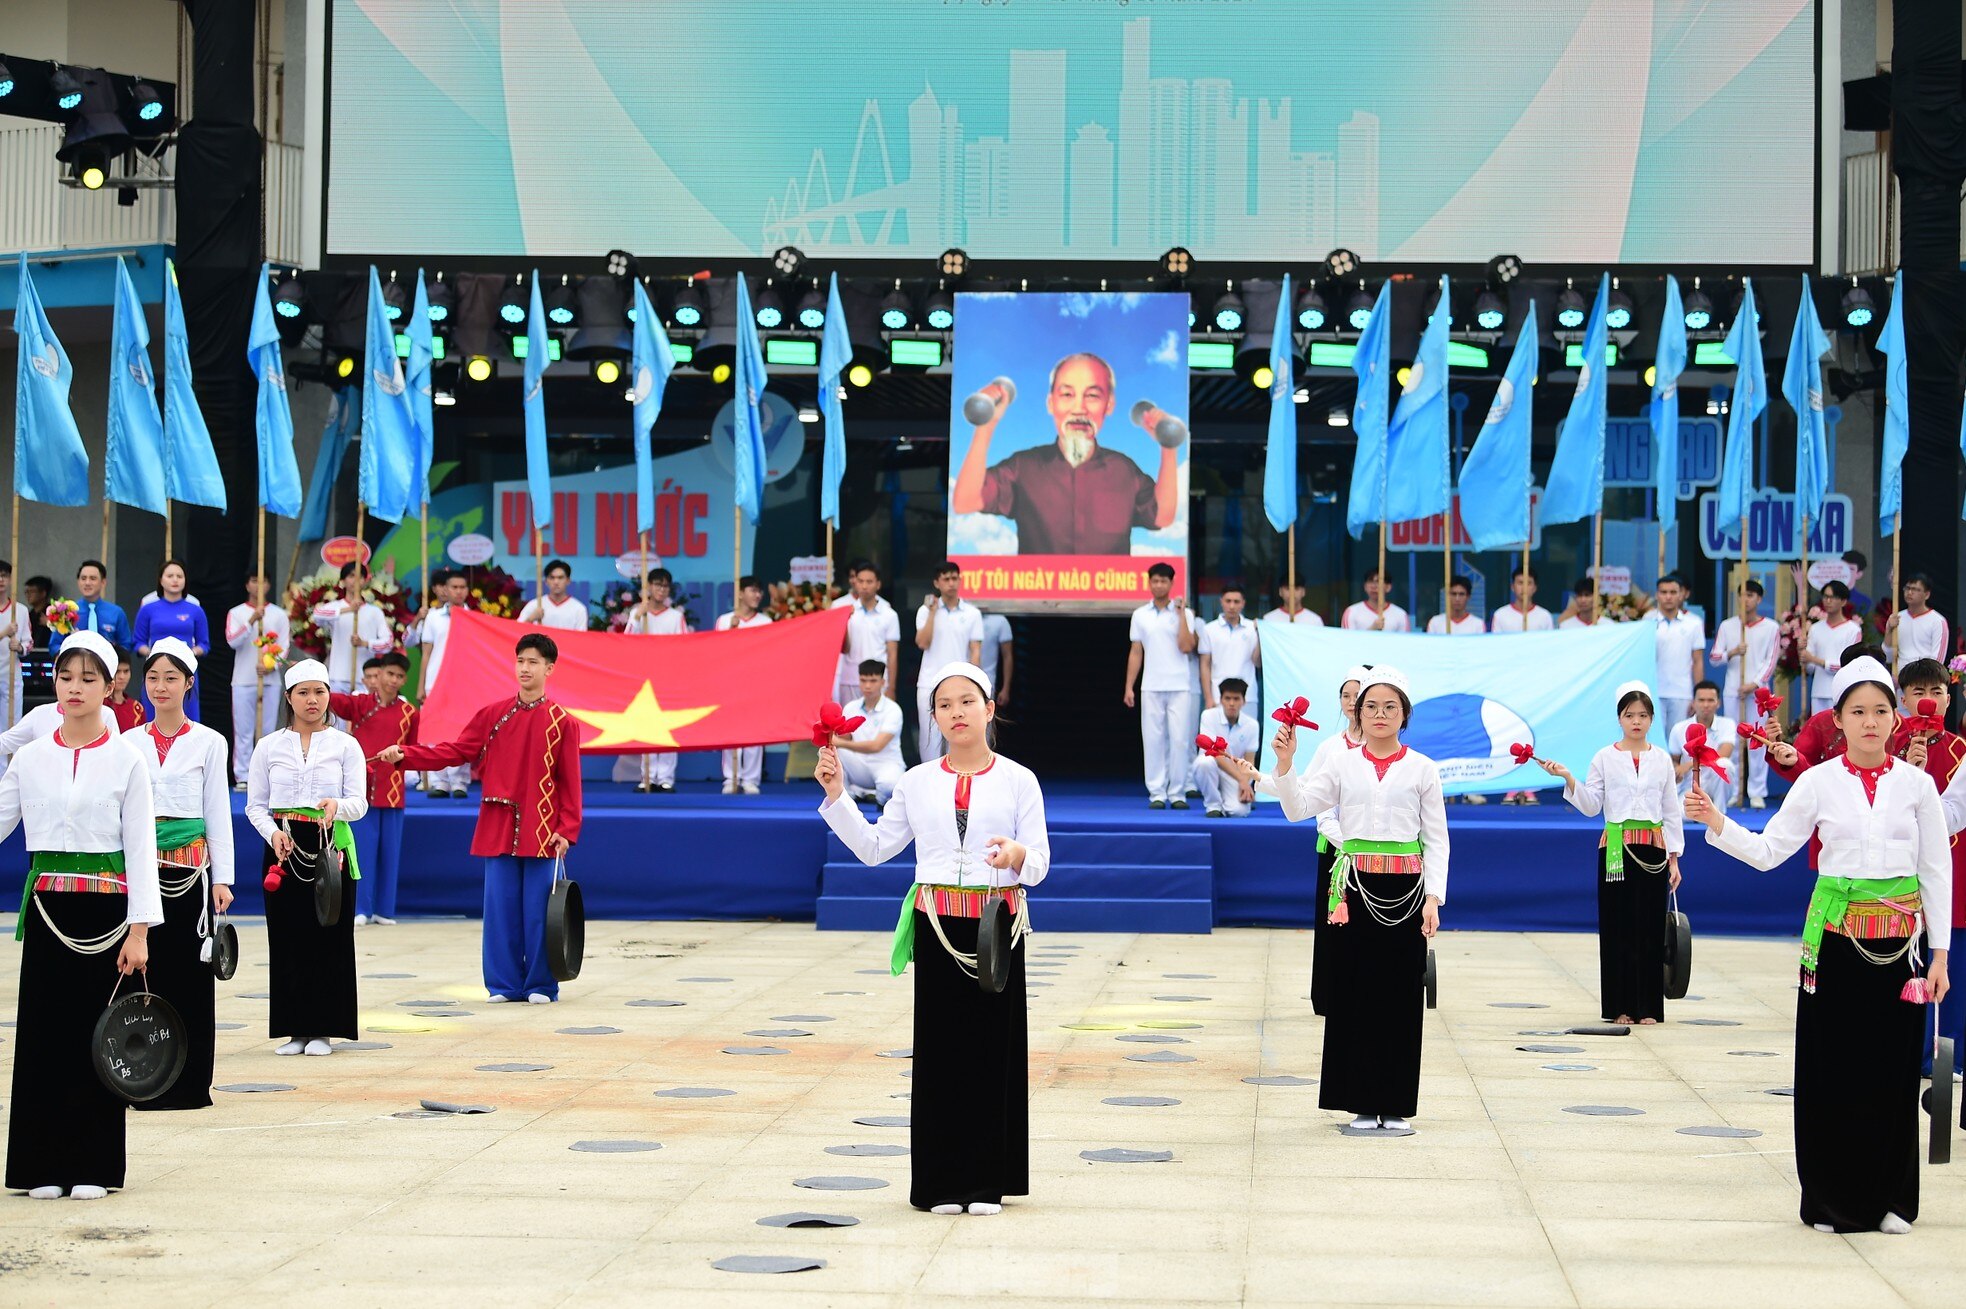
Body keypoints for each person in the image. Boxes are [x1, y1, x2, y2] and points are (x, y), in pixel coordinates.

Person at [1687, 656, 1950, 1235]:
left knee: (1894, 1070)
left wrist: (1941, 955)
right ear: (1839, 719)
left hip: (1902, 949)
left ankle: (1890, 1200)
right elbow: (1767, 852)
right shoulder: (1817, 781)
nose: (1871, 722)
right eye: (1858, 711)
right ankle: (1829, 1198)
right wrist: (1716, 822)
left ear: (1897, 718)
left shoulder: (1917, 786)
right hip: (1835, 944)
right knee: (1833, 1068)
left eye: (1881, 710)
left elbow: (1936, 870)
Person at [814, 660, 1049, 1214]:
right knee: (942, 1053)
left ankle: (988, 1181)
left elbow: (1038, 863)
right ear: (935, 718)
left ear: (989, 710)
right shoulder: (915, 783)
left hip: (996, 926)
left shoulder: (1020, 780)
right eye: (945, 705)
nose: (956, 712)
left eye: (968, 701)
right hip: (938, 924)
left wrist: (1016, 856)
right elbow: (875, 850)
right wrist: (837, 796)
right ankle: (942, 1182)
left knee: (995, 1049)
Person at [1229, 667, 1447, 1134]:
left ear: (1405, 714)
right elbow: (1297, 809)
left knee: (1401, 995)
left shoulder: (1423, 768)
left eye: (1390, 706)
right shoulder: (1341, 762)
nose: (1380, 714)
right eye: (1371, 706)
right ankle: (1362, 1103)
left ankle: (1396, 1104)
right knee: (1357, 991)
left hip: (1406, 893)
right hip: (1354, 886)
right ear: (1357, 713)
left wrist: (1434, 898)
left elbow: (1437, 839)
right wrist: (1285, 766)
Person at [0, 630, 158, 1198]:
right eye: (66, 677)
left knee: (99, 1036)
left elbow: (141, 848)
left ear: (110, 685)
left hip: (107, 913)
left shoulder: (126, 760)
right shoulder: (31, 758)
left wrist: (139, 929)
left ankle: (91, 1164)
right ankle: (40, 1166)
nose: (74, 689)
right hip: (47, 910)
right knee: (43, 1033)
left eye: (89, 679)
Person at [378, 633, 582, 1004]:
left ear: (550, 669)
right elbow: (455, 750)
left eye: (533, 662)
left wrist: (566, 830)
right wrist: (406, 756)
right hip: (498, 824)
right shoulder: (493, 715)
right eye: (520, 660)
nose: (525, 668)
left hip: (542, 829)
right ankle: (504, 984)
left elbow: (570, 783)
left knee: (539, 912)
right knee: (500, 909)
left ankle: (540, 984)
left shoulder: (562, 722)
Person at [1542, 681, 1686, 1025]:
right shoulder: (1604, 757)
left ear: (1651, 719)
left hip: (1652, 849)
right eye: (1629, 715)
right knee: (1618, 925)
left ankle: (1648, 1007)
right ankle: (1619, 1006)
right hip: (1616, 849)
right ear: (1619, 718)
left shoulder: (1662, 759)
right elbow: (1592, 805)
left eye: (1642, 715)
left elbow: (1670, 809)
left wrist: (1675, 857)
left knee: (1650, 927)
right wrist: (1568, 778)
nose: (1636, 721)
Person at [131, 638, 233, 1111]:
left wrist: (222, 877)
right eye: (153, 677)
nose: (161, 686)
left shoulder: (210, 742)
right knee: (143, 976)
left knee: (190, 978)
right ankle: (140, 1078)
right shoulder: (128, 742)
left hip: (191, 876)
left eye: (171, 678)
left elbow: (217, 812)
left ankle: (190, 1083)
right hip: (138, 874)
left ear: (189, 683)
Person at [247, 658, 368, 1056]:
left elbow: (360, 803)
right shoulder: (268, 746)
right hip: (283, 844)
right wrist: (273, 834)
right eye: (303, 692)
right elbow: (255, 806)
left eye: (319, 691)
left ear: (329, 695)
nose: (312, 700)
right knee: (286, 936)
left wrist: (337, 806)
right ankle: (294, 1029)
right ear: (288, 698)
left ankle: (324, 1029)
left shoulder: (345, 743)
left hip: (329, 843)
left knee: (329, 934)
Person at [949, 352, 1180, 556]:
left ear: (1109, 405)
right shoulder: (1024, 467)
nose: (1079, 408)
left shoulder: (1124, 470)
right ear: (1051, 403)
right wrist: (986, 427)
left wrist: (1167, 448)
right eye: (1067, 395)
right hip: (1037, 603)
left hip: (1110, 604)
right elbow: (965, 501)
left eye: (1092, 396)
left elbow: (1162, 516)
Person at [1897, 658, 1966, 1082]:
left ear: (1948, 697)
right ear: (1902, 698)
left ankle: (1945, 1058)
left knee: (1949, 965)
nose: (1929, 700)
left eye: (1937, 692)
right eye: (1918, 692)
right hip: (1894, 877)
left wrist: (1920, 783)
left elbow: (1954, 816)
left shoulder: (1961, 751)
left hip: (1952, 872)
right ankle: (1901, 1050)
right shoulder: (1884, 744)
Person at [1287, 667, 1369, 1012]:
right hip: (1336, 851)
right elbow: (1306, 794)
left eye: (1358, 696)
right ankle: (1329, 996)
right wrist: (1271, 775)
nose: (1351, 702)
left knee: (1367, 927)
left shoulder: (1382, 747)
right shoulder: (1329, 747)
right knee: (1332, 924)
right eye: (1346, 696)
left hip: (1373, 852)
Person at [331, 653, 417, 927]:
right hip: (361, 791)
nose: (393, 680)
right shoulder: (360, 705)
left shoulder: (409, 713)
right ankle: (360, 908)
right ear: (378, 675)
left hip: (392, 791)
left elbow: (412, 752)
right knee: (362, 852)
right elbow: (332, 699)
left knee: (390, 854)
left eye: (399, 676)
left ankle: (385, 910)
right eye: (389, 674)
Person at [1125, 562, 1199, 809]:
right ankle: (1156, 792)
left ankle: (1177, 792)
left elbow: (1187, 646)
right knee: (1153, 739)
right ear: (1149, 583)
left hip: (1180, 685)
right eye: (1155, 581)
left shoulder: (1185, 613)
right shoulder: (1140, 614)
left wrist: (1180, 615)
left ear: (1171, 583)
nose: (1159, 585)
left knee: (1180, 739)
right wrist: (1129, 686)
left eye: (1163, 581)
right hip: (1151, 685)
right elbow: (1136, 652)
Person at [1710, 579, 1779, 808]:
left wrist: (1755, 683)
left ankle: (1757, 791)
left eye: (1751, 595)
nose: (1746, 599)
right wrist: (1732, 652)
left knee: (1758, 741)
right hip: (1733, 691)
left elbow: (1771, 661)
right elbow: (1715, 658)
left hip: (1758, 693)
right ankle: (1734, 790)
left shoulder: (1771, 627)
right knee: (1735, 740)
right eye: (1742, 594)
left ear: (1759, 599)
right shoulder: (1728, 626)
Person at [621, 568, 690, 792]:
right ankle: (647, 776)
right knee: (646, 725)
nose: (661, 590)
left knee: (667, 726)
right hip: (644, 678)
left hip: (669, 677)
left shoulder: (676, 616)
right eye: (657, 585)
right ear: (648, 587)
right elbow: (626, 642)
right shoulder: (637, 612)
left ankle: (666, 777)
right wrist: (639, 616)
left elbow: (683, 647)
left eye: (665, 586)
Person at [406, 568, 472, 797]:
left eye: (462, 587)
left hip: (464, 684)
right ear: (446, 589)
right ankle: (439, 781)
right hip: (435, 681)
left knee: (462, 733)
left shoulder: (476, 618)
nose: (458, 591)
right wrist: (421, 685)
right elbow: (426, 652)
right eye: (454, 587)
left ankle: (460, 782)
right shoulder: (433, 617)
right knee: (435, 732)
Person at [225, 573, 289, 791]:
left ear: (269, 584)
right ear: (247, 584)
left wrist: (271, 665)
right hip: (243, 679)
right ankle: (243, 775)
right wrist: (251, 620)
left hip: (269, 680)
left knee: (269, 730)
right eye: (254, 581)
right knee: (243, 730)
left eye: (263, 581)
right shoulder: (236, 613)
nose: (259, 585)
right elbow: (232, 640)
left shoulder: (279, 614)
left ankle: (267, 774)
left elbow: (284, 645)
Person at [914, 563, 984, 761]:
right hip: (929, 682)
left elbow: (975, 651)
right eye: (946, 579)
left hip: (960, 685)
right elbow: (922, 642)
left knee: (961, 732)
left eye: (954, 578)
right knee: (929, 736)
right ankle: (928, 783)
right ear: (937, 583)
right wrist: (933, 612)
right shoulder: (925, 611)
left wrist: (973, 684)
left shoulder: (972, 613)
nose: (951, 583)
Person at [716, 576, 774, 794]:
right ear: (740, 593)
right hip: (731, 683)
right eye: (752, 590)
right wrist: (731, 632)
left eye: (759, 591)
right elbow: (717, 652)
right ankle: (730, 778)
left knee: (754, 732)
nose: (757, 595)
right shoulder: (724, 620)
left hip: (756, 683)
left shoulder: (765, 622)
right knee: (730, 731)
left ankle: (751, 779)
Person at [132, 561, 210, 722]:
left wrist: (191, 651)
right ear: (161, 580)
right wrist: (154, 652)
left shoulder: (195, 610)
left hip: (185, 668)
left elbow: (205, 644)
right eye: (170, 576)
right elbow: (137, 642)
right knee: (152, 715)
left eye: (179, 576)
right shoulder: (148, 609)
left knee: (189, 716)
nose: (175, 580)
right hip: (156, 668)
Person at [833, 659, 906, 806]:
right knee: (828, 752)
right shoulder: (850, 708)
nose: (867, 686)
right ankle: (847, 798)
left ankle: (871, 795)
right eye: (863, 680)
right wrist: (830, 734)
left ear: (882, 682)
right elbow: (843, 740)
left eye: (873, 681)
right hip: (859, 764)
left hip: (887, 763)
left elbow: (876, 746)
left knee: (889, 787)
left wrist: (837, 741)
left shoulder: (893, 709)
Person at [312, 562, 393, 695]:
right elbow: (317, 615)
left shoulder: (375, 612)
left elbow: (388, 643)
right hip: (338, 676)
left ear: (364, 581)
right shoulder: (335, 606)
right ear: (343, 581)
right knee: (337, 715)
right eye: (351, 576)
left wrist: (365, 643)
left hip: (366, 679)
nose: (355, 581)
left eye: (359, 577)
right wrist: (349, 609)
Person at [832, 560, 900, 706]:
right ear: (855, 583)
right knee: (848, 726)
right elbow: (844, 649)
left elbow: (892, 654)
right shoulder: (846, 611)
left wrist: (892, 687)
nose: (864, 586)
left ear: (878, 584)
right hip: (850, 679)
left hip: (878, 681)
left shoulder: (889, 614)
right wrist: (843, 622)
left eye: (869, 582)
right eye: (860, 581)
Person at [1194, 677, 1259, 818]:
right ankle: (1214, 806)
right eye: (1227, 698)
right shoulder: (1208, 716)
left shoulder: (1252, 725)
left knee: (1239, 812)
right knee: (1203, 762)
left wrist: (1246, 783)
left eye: (1236, 699)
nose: (1231, 703)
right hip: (1212, 768)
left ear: (1244, 701)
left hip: (1235, 774)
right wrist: (1241, 780)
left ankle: (1227, 800)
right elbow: (1214, 753)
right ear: (1221, 700)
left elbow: (1250, 760)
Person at [1647, 573, 1705, 728]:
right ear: (1657, 595)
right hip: (1653, 691)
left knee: (1677, 741)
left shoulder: (1694, 623)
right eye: (1663, 592)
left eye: (1673, 592)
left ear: (1681, 595)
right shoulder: (1647, 621)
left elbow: (1698, 661)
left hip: (1682, 692)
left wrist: (1698, 694)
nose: (1668, 597)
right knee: (1652, 740)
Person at [1669, 681, 1738, 811]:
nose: (1706, 705)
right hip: (1690, 786)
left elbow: (1723, 754)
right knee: (1682, 816)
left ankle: (1719, 815)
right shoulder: (1679, 728)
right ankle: (1702, 810)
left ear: (1718, 703)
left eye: (1710, 700)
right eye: (1701, 700)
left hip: (1716, 784)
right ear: (1693, 703)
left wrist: (1689, 765)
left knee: (1724, 764)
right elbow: (1675, 761)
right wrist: (1677, 771)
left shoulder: (1727, 724)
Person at [1801, 580, 1863, 716]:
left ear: (1843, 601)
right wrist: (1803, 655)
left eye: (1833, 597)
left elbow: (1849, 665)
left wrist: (1817, 660)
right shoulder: (1815, 629)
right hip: (1818, 691)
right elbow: (1809, 667)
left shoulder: (1853, 630)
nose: (1828, 601)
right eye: (1825, 597)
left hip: (1841, 691)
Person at [1199, 585, 1261, 711]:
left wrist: (1260, 635)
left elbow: (1257, 663)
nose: (1232, 606)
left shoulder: (1252, 628)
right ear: (1221, 601)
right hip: (1218, 696)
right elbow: (1205, 664)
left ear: (1243, 603)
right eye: (1228, 601)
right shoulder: (1209, 629)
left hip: (1247, 697)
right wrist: (1208, 697)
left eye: (1236, 602)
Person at [49, 560, 132, 653]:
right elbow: (54, 645)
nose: (87, 583)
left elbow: (126, 645)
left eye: (93, 578)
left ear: (103, 582)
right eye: (83, 578)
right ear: (78, 581)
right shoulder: (66, 611)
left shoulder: (116, 612)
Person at [1888, 573, 1949, 674]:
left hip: (1925, 680)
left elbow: (1937, 659)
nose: (1910, 592)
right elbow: (1888, 656)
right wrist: (1889, 630)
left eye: (1916, 589)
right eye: (1907, 588)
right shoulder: (1896, 618)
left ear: (1927, 594)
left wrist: (1925, 679)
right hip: (1901, 680)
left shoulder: (1938, 621)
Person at [0, 561, 30, 730]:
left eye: (4, 575)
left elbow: (28, 642)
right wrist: (4, 633)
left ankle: (10, 757)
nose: (1, 579)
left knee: (11, 724)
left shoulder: (21, 610)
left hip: (11, 675)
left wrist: (19, 647)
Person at [517, 559, 589, 630]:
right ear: (546, 581)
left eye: (560, 578)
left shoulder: (579, 609)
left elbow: (581, 638)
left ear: (568, 580)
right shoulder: (535, 605)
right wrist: (530, 619)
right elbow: (517, 630)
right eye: (552, 578)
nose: (556, 582)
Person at [1340, 571, 1410, 632]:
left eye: (1378, 581)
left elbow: (1404, 643)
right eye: (1370, 581)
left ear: (1388, 587)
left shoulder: (1400, 614)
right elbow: (1348, 642)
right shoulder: (1352, 611)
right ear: (1365, 586)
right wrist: (1373, 628)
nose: (1373, 586)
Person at [1490, 567, 1554, 633]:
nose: (1524, 588)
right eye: (1520, 583)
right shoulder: (1501, 615)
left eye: (1528, 583)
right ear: (1512, 587)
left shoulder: (1545, 616)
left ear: (1534, 588)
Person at [977, 609, 1014, 710]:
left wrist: (1006, 688)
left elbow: (1007, 656)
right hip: (961, 678)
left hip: (988, 682)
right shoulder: (965, 616)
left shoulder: (1000, 621)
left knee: (984, 720)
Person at [107, 648, 146, 733]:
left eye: (126, 671)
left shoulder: (137, 708)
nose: (122, 676)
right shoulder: (98, 705)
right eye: (117, 671)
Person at [22, 575, 51, 650]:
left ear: (43, 593)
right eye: (27, 592)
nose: (28, 595)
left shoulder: (53, 612)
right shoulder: (29, 614)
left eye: (32, 591)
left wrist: (50, 623)